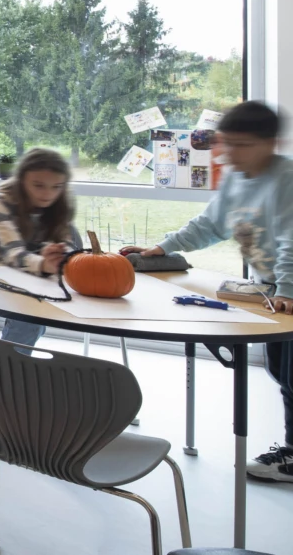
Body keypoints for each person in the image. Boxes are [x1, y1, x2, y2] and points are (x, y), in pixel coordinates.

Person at [121, 100, 293, 482]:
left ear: (271, 143)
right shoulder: (235, 179)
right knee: (282, 373)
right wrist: (164, 247)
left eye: (242, 145)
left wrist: (288, 288)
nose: (231, 154)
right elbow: (209, 224)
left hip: (288, 289)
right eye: (227, 144)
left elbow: (291, 240)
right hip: (276, 290)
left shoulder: (287, 179)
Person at [0, 147, 78, 347]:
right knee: (29, 317)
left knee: (35, 316)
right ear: (21, 180)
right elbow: (12, 252)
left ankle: (12, 359)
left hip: (32, 264)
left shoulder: (61, 202)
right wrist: (44, 264)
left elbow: (67, 241)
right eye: (38, 185)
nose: (48, 194)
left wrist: (57, 252)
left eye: (57, 187)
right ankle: (9, 363)